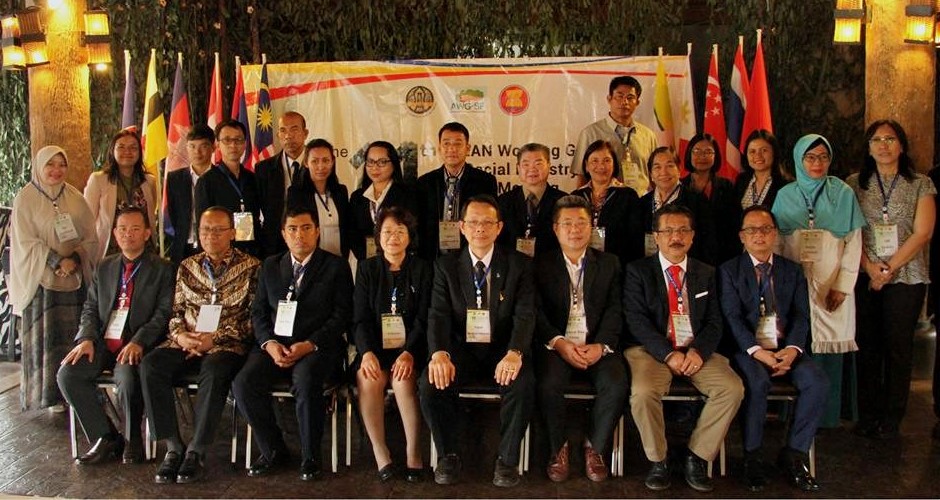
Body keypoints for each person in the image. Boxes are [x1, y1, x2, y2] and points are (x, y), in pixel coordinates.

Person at [622, 204, 743, 493]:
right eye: (668, 231)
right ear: (657, 236)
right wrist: (668, 353)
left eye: (682, 231)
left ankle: (697, 456)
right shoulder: (638, 271)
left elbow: (715, 321)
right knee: (642, 392)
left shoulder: (706, 272)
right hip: (652, 350)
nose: (675, 237)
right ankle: (658, 460)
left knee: (732, 388)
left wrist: (698, 351)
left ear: (692, 236)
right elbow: (636, 320)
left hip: (696, 351)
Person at [419, 195, 535, 488]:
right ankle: (448, 456)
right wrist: (440, 354)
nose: (479, 229)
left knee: (522, 384)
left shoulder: (518, 265)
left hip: (503, 349)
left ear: (499, 227)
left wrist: (515, 352)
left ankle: (507, 461)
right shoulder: (446, 266)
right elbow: (438, 314)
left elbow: (525, 314)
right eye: (473, 222)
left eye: (487, 223)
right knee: (430, 383)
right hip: (462, 350)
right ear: (461, 227)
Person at [140, 206, 260, 484]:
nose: (211, 236)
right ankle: (173, 445)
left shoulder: (252, 267)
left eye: (219, 230)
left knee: (216, 369)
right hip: (186, 340)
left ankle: (197, 449)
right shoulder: (187, 266)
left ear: (232, 233)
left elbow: (252, 321)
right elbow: (176, 311)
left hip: (226, 344)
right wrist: (182, 336)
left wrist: (213, 339)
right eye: (206, 230)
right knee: (151, 365)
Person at [234, 205, 353, 481]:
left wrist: (310, 344)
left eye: (306, 228)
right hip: (275, 346)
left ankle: (311, 455)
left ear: (318, 232)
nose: (300, 235)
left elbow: (342, 316)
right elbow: (259, 312)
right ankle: (274, 450)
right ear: (284, 234)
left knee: (306, 377)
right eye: (293, 229)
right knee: (243, 383)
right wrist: (269, 343)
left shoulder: (335, 266)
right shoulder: (271, 265)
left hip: (317, 348)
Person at [719, 206, 828, 492]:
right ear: (742, 236)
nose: (759, 235)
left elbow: (802, 315)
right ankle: (752, 457)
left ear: (775, 234)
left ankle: (795, 454)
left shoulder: (792, 270)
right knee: (757, 382)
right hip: (749, 350)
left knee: (816, 382)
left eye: (765, 229)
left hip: (786, 348)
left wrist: (792, 349)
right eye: (752, 230)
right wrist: (757, 351)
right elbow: (731, 317)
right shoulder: (729, 270)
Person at [57, 207, 175, 465]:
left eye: (135, 229)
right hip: (102, 342)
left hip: (137, 344)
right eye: (122, 229)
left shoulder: (163, 268)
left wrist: (139, 340)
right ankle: (106, 436)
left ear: (146, 233)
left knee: (127, 377)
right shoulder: (105, 266)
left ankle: (133, 439)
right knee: (68, 374)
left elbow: (164, 313)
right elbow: (90, 307)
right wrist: (86, 338)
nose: (128, 235)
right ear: (114, 233)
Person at [847, 120, 935, 439]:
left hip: (907, 276)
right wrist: (870, 267)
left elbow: (923, 231)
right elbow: (849, 231)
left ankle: (892, 417)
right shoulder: (855, 183)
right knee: (867, 346)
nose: (883, 145)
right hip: (864, 273)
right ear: (868, 147)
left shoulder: (920, 183)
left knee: (898, 347)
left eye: (890, 139)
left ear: (902, 145)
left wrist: (889, 269)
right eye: (876, 140)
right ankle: (868, 414)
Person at [771, 134, 864, 429]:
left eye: (823, 157)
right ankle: (792, 416)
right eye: (810, 157)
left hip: (831, 282)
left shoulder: (843, 193)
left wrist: (842, 285)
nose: (817, 163)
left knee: (827, 347)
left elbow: (854, 242)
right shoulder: (785, 195)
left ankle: (825, 417)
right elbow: (775, 243)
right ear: (799, 160)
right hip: (794, 281)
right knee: (796, 343)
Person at [534, 195, 627, 483]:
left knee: (616, 383)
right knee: (548, 383)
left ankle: (595, 447)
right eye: (567, 224)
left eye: (581, 223)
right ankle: (558, 447)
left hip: (597, 344)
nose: (575, 230)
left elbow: (616, 310)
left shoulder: (609, 263)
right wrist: (560, 343)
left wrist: (601, 346)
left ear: (592, 226)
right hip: (557, 346)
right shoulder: (540, 264)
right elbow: (534, 313)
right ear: (555, 229)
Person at [10, 146, 98, 411]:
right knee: (46, 337)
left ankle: (75, 393)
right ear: (38, 166)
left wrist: (75, 258)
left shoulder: (74, 197)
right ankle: (48, 396)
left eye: (62, 164)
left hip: (73, 279)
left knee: (73, 335)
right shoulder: (25, 198)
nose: (56, 170)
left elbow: (90, 236)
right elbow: (25, 241)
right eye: (50, 165)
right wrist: (55, 260)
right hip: (41, 282)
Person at [352, 206, 431, 482]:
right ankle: (380, 452)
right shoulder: (367, 269)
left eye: (400, 231)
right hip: (374, 347)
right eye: (387, 231)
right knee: (368, 378)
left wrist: (409, 352)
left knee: (402, 379)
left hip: (410, 349)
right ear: (378, 236)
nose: (393, 237)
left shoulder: (422, 269)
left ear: (410, 235)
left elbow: (424, 318)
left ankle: (413, 452)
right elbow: (359, 319)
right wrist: (367, 353)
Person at [416, 122, 498, 260]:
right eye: (446, 143)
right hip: (433, 256)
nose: (452, 149)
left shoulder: (484, 181)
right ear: (439, 148)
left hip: (471, 256)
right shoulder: (425, 182)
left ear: (468, 148)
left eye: (458, 144)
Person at [570, 76, 658, 195]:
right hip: (605, 202)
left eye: (630, 97)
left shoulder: (648, 136)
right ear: (609, 99)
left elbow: (654, 174)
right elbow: (582, 176)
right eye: (619, 96)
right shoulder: (590, 133)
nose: (624, 102)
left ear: (637, 102)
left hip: (641, 202)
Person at [84, 129, 158, 259]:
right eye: (121, 147)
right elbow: (87, 220)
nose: (127, 152)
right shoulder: (98, 180)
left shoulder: (149, 181)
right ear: (113, 151)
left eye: (133, 148)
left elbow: (150, 215)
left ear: (140, 152)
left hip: (144, 250)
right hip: (111, 250)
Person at [639, 147, 717, 265]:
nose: (663, 172)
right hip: (649, 270)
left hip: (687, 268)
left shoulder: (697, 201)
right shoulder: (641, 203)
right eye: (657, 167)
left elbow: (708, 244)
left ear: (679, 170)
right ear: (651, 174)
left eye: (670, 166)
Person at [571, 140, 644, 268]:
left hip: (617, 267)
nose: (601, 166)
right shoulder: (576, 197)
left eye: (606, 160)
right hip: (581, 267)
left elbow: (635, 240)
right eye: (595, 161)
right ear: (586, 166)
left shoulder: (628, 196)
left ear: (614, 165)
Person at [194, 120, 262, 256]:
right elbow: (203, 225)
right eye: (227, 140)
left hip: (253, 251)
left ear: (245, 144)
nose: (233, 145)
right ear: (217, 145)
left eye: (238, 140)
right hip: (221, 253)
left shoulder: (252, 178)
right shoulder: (206, 181)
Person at [497, 143, 567, 258]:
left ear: (549, 166)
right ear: (518, 168)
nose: (532, 169)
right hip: (514, 271)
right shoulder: (504, 201)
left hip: (551, 270)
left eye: (538, 164)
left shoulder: (563, 202)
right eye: (526, 164)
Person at [349, 141, 416, 261]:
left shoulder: (408, 195)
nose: (375, 167)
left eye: (382, 162)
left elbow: (413, 232)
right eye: (370, 162)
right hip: (366, 265)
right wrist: (365, 258)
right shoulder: (357, 197)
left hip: (399, 262)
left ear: (394, 163)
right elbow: (352, 234)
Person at [255, 111, 310, 258]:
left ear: (305, 133)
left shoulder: (316, 165)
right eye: (283, 130)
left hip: (308, 242)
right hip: (274, 246)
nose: (288, 135)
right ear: (278, 135)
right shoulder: (263, 169)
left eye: (294, 129)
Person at [287, 138, 352, 259]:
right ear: (306, 163)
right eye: (315, 161)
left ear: (332, 162)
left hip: (339, 260)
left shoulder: (341, 191)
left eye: (326, 160)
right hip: (311, 261)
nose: (321, 166)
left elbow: (348, 228)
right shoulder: (296, 193)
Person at [681, 133, 739, 264]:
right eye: (697, 151)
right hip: (689, 257)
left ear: (716, 155)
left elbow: (734, 224)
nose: (702, 156)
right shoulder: (680, 187)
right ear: (689, 154)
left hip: (723, 257)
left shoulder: (727, 186)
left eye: (708, 152)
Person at [165, 125, 215, 265]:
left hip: (213, 247)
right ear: (186, 148)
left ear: (213, 147)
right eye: (192, 146)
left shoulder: (221, 177)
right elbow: (174, 214)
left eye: (203, 146)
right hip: (183, 247)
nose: (197, 152)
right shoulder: (175, 179)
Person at [734, 130, 785, 210]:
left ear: (774, 153)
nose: (758, 156)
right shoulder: (741, 180)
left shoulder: (785, 184)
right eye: (752, 151)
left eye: (764, 150)